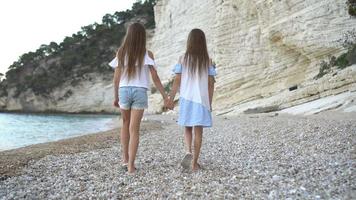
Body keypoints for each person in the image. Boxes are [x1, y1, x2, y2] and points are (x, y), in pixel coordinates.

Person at [110, 22, 168, 174]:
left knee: (125, 124)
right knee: (134, 129)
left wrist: (115, 97)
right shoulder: (147, 54)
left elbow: (116, 78)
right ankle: (130, 166)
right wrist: (165, 96)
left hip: (124, 90)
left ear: (128, 35)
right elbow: (155, 78)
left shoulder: (121, 52)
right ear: (142, 36)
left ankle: (124, 159)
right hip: (140, 91)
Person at [168, 28, 216, 171]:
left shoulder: (183, 59)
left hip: (186, 98)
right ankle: (194, 163)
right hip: (201, 100)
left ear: (189, 41)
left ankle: (188, 151)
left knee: (187, 128)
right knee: (198, 131)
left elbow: (177, 80)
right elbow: (211, 84)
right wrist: (209, 103)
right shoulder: (207, 61)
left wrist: (170, 98)